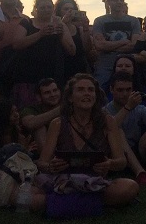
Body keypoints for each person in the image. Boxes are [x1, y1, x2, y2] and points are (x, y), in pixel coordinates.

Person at [32, 74, 139, 211]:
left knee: (130, 187)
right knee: (30, 195)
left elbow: (121, 161)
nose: (87, 93)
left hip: (95, 183)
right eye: (81, 90)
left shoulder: (108, 121)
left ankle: (63, 204)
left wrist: (109, 163)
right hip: (63, 182)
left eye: (90, 90)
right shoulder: (58, 123)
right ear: (70, 97)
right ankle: (89, 204)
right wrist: (51, 167)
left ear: (96, 95)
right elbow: (42, 163)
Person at [10, 0, 76, 108]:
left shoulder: (59, 24)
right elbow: (16, 44)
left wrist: (60, 35)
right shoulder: (27, 23)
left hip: (53, 79)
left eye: (49, 7)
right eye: (42, 7)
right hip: (28, 78)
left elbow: (72, 50)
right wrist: (40, 34)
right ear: (36, 9)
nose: (46, 10)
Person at [92, 0, 143, 88]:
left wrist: (108, 46)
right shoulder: (99, 21)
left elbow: (134, 45)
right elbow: (99, 45)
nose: (119, 2)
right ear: (108, 2)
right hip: (105, 67)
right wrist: (124, 41)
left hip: (127, 66)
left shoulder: (134, 21)